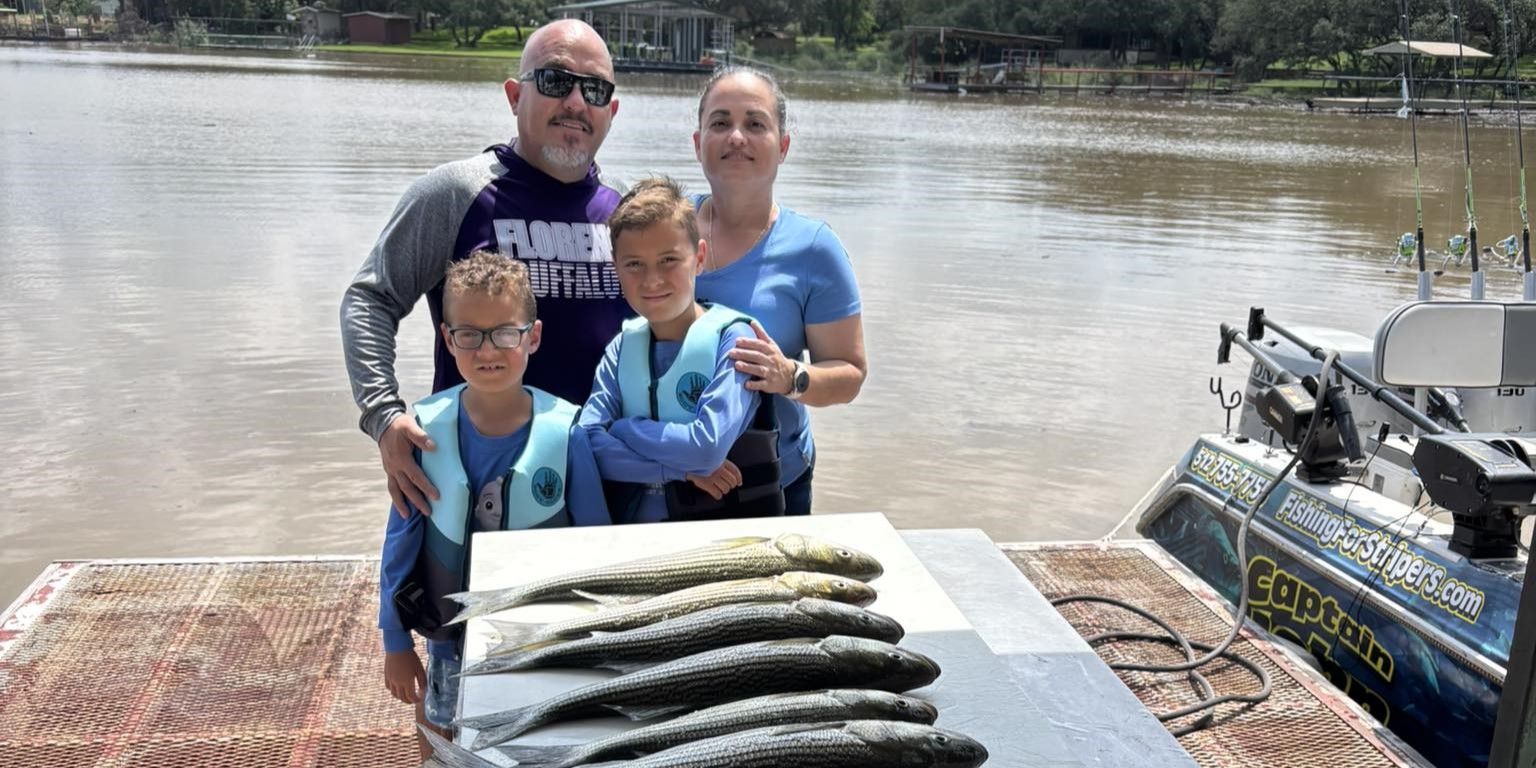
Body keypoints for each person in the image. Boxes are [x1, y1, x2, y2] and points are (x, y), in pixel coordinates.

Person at [341, 18, 628, 525]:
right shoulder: (456, 193)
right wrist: (384, 417)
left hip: (603, 481)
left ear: (612, 110)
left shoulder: (628, 212)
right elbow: (370, 298)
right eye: (557, 82)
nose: (577, 103)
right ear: (515, 96)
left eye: (595, 89)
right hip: (473, 487)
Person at [377, 252, 609, 759]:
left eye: (505, 332)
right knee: (446, 733)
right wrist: (395, 641)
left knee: (535, 739)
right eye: (469, 334)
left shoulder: (567, 432)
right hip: (448, 641)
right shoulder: (424, 432)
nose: (488, 350)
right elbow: (398, 546)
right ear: (447, 338)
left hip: (541, 634)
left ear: (534, 336)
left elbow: (598, 543)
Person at [689, 66, 868, 515]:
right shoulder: (661, 229)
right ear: (697, 143)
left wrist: (791, 376)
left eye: (755, 124)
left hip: (773, 484)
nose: (736, 137)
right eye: (720, 122)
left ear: (783, 146)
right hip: (667, 476)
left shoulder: (813, 249)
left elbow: (849, 374)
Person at [580, 177, 785, 524]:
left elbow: (705, 448)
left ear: (699, 257)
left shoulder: (733, 340)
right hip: (633, 533)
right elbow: (588, 445)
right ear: (615, 267)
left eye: (668, 260)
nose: (652, 280)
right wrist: (676, 470)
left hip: (718, 533)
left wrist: (626, 429)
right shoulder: (620, 349)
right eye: (634, 264)